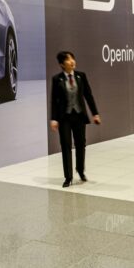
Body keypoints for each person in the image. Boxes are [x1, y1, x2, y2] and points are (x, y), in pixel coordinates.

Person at [50, 51, 101, 188]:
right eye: (68, 60)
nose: (72, 61)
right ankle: (68, 177)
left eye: (73, 58)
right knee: (66, 145)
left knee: (80, 144)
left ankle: (80, 170)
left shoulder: (81, 76)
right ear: (62, 64)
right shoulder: (57, 79)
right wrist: (54, 119)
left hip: (79, 116)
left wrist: (95, 113)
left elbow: (88, 95)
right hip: (64, 117)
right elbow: (54, 101)